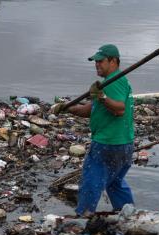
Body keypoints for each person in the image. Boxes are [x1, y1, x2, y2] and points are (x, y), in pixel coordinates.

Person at [52, 44, 135, 216]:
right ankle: (128, 215)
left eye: (101, 61)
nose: (97, 64)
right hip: (124, 144)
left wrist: (102, 97)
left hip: (108, 144)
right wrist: (67, 108)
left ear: (113, 61)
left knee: (91, 181)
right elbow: (90, 110)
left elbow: (119, 109)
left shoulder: (114, 80)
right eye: (95, 62)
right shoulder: (110, 83)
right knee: (114, 182)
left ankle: (83, 217)